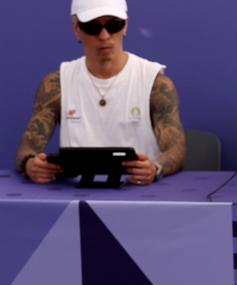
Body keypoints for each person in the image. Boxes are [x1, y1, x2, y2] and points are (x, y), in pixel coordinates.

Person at [15, 0, 185, 185]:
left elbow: (176, 148)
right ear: (76, 29)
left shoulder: (155, 83)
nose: (104, 36)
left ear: (125, 25)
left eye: (113, 25)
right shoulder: (56, 85)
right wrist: (30, 164)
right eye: (93, 27)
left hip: (139, 192)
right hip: (74, 194)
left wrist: (155, 167)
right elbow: (28, 146)